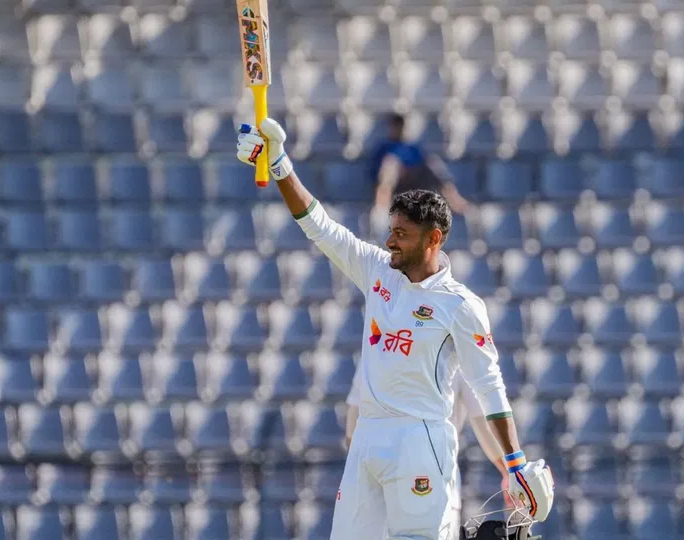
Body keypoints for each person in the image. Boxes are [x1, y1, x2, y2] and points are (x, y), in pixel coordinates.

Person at [236, 119, 554, 540]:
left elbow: (488, 385)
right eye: (391, 231)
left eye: (402, 235)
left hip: (420, 439)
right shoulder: (376, 271)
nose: (390, 242)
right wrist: (279, 165)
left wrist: (514, 462)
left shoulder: (460, 305)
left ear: (433, 239)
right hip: (369, 437)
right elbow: (320, 226)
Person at [347, 365, 513, 540]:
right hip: (435, 480)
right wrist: (508, 472)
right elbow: (482, 422)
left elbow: (353, 427)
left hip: (385, 479)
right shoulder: (458, 347)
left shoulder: (379, 346)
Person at [369, 113, 470, 216]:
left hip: (414, 180)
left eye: (401, 125)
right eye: (396, 125)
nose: (399, 129)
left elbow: (422, 162)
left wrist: (410, 171)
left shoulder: (412, 147)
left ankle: (454, 199)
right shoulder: (384, 147)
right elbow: (376, 173)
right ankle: (382, 204)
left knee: (433, 162)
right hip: (395, 182)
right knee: (391, 163)